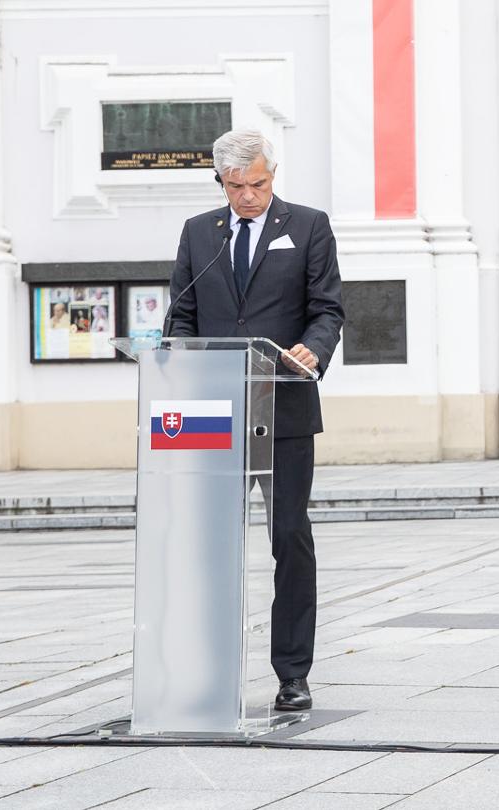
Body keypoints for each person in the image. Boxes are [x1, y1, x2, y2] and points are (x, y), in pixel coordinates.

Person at [167, 129, 345, 713]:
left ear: (274, 175)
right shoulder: (200, 233)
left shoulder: (308, 225)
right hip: (214, 415)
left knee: (288, 538)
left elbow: (327, 308)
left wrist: (313, 350)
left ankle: (292, 672)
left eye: (259, 184)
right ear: (220, 182)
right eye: (236, 186)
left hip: (284, 410)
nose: (249, 197)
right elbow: (182, 315)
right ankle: (206, 666)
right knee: (208, 543)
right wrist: (180, 361)